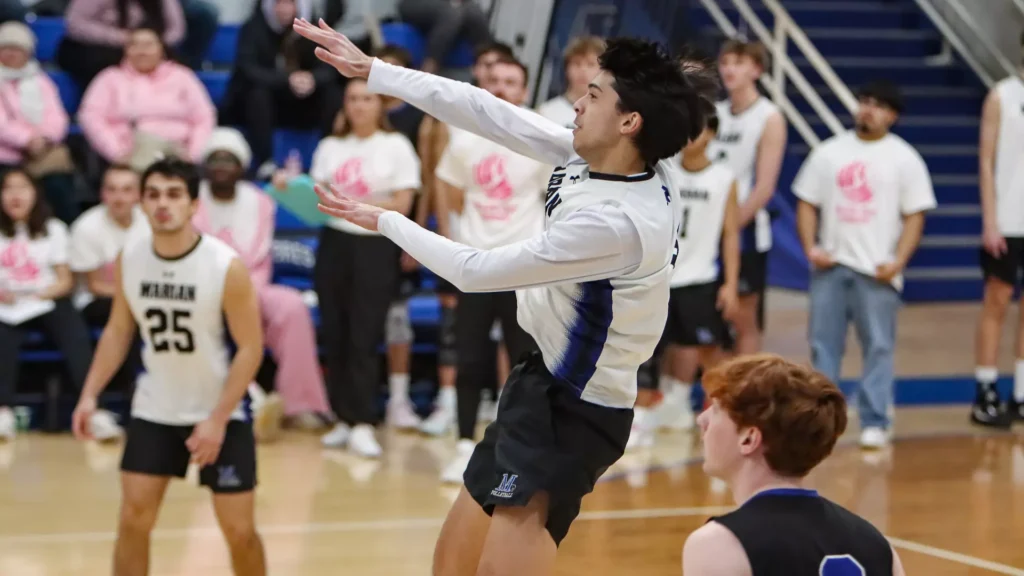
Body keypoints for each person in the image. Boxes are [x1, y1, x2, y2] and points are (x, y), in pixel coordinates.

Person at [295, 19, 714, 573]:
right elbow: (485, 111)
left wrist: (389, 221)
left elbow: (474, 270)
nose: (577, 105)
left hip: (577, 409)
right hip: (536, 382)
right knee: (451, 563)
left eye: (593, 95)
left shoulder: (619, 223)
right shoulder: (605, 154)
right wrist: (375, 72)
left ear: (629, 121)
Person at [70, 158, 267, 576]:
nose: (163, 204)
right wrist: (89, 394)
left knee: (239, 531)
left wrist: (216, 420)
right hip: (155, 409)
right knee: (132, 521)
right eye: (154, 195)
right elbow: (119, 330)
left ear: (194, 203)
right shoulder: (131, 258)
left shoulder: (225, 266)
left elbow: (251, 348)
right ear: (141, 204)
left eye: (174, 194)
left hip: (222, 414)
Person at [794, 81, 935, 450]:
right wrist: (811, 247)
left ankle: (875, 419)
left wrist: (898, 261)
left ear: (892, 115)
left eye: (877, 105)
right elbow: (807, 201)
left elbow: (915, 215)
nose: (867, 110)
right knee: (823, 347)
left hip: (877, 270)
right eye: (863, 102)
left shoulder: (905, 158)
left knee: (879, 347)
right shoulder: (829, 153)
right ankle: (819, 422)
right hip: (832, 265)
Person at [681, 354, 906, 576]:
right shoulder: (878, 545)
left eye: (717, 410)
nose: (702, 420)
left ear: (749, 439)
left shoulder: (718, 544)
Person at [433, 55, 545, 483]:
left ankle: (517, 445)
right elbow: (447, 188)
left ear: (524, 90)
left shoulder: (539, 136)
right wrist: (449, 247)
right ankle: (463, 443)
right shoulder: (465, 136)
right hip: (476, 265)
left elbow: (554, 202)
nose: (501, 88)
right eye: (494, 80)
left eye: (511, 82)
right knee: (470, 356)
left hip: (523, 268)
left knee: (525, 361)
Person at [310, 77, 421, 458]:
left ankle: (362, 421)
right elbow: (317, 198)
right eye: (352, 99)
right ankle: (342, 417)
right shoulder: (329, 146)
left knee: (364, 332)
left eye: (367, 99)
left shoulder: (396, 146)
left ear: (380, 104)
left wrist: (357, 203)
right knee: (335, 329)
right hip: (334, 243)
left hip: (374, 245)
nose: (359, 106)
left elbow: (403, 202)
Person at [195, 127, 331, 435]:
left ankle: (301, 406)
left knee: (292, 307)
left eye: (229, 160)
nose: (221, 167)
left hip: (253, 284)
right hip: (202, 287)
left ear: (241, 167)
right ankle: (247, 401)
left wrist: (243, 292)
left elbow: (256, 254)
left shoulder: (260, 201)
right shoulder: (192, 199)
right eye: (215, 160)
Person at [627, 113, 740, 451]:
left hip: (701, 279)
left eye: (699, 130)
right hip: (661, 275)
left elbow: (731, 234)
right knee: (647, 351)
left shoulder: (723, 178)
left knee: (710, 352)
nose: (691, 136)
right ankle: (640, 420)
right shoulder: (663, 170)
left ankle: (727, 414)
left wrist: (731, 283)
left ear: (713, 134)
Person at [0, 168, 121, 441]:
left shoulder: (53, 229)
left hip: (46, 298)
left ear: (35, 194)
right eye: (8, 188)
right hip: (5, 304)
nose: (15, 195)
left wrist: (43, 294)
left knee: (74, 331)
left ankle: (94, 409)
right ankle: (2, 411)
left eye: (23, 188)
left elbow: (66, 280)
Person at [707, 40, 786, 356]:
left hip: (745, 232)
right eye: (725, 62)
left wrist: (727, 228)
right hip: (705, 225)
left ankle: (748, 398)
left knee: (742, 317)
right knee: (707, 316)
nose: (728, 69)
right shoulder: (714, 112)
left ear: (756, 69)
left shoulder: (769, 117)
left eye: (738, 62)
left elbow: (764, 188)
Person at [220, 0, 342, 177]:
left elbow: (330, 67)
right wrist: (287, 80)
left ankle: (326, 159)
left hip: (304, 102)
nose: (283, 9)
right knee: (257, 93)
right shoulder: (254, 28)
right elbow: (247, 68)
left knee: (333, 94)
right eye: (278, 3)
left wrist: (312, 78)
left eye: (290, 3)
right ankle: (265, 162)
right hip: (265, 107)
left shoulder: (313, 29)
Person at [77, 26, 217, 172]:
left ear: (161, 49)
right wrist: (116, 153)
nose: (142, 51)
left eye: (148, 45)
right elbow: (91, 117)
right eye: (134, 45)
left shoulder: (183, 76)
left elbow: (204, 116)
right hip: (130, 153)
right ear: (126, 50)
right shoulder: (109, 78)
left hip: (177, 152)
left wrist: (193, 154)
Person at [69, 165, 149, 417]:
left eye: (127, 190)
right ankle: (137, 393)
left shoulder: (150, 222)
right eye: (112, 190)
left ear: (138, 194)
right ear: (103, 194)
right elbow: (95, 286)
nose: (119, 197)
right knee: (127, 318)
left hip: (141, 299)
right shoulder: (87, 227)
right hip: (96, 301)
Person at [971, 58, 1024, 428]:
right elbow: (986, 161)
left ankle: (1021, 391)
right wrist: (990, 220)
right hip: (1007, 219)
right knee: (997, 300)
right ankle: (985, 387)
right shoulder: (1001, 96)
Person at [0, 21, 77, 224]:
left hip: (39, 154)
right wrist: (26, 139)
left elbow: (57, 117)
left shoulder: (41, 81)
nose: (11, 54)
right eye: (5, 48)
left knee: (58, 186)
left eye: (16, 49)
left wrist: (44, 139)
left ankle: (67, 234)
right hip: (5, 156)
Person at [56, 0, 186, 90]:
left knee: (173, 63)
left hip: (146, 41)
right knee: (103, 62)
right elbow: (75, 23)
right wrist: (123, 38)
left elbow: (176, 29)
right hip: (93, 45)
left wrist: (153, 43)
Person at [537, 36, 605, 129]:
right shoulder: (545, 112)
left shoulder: (608, 116)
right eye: (577, 63)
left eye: (590, 64)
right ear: (566, 69)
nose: (583, 70)